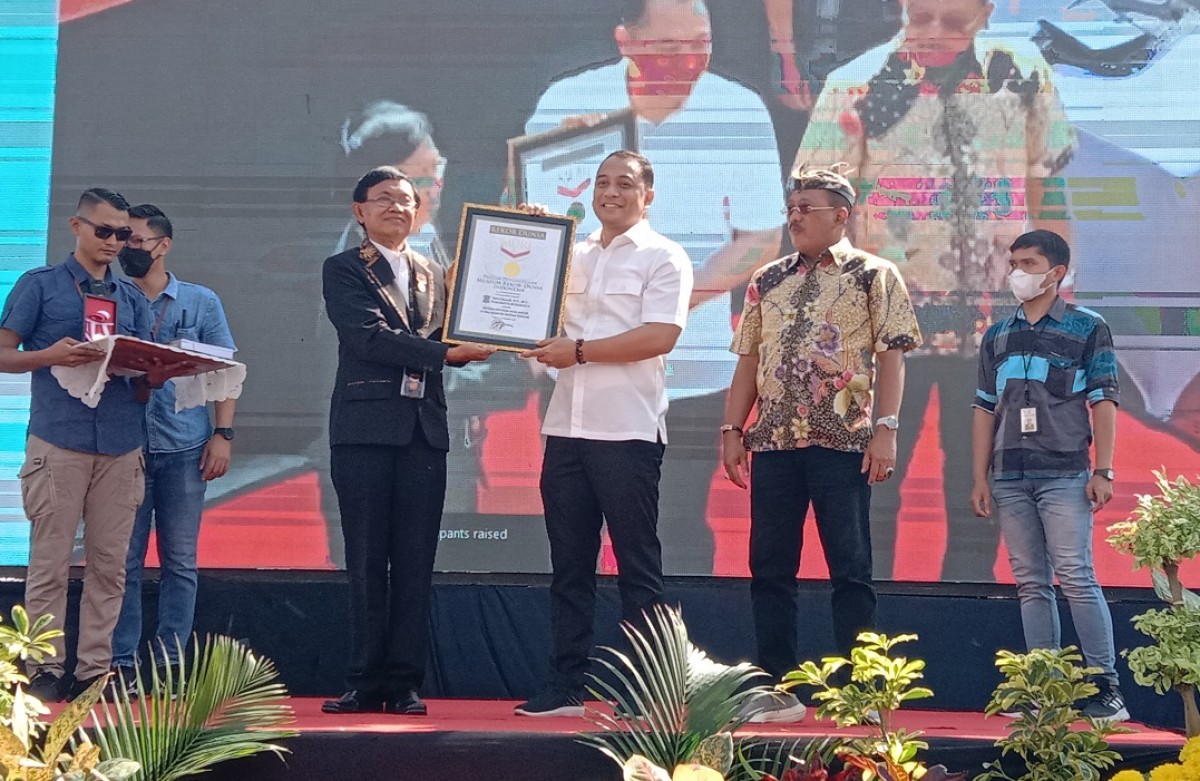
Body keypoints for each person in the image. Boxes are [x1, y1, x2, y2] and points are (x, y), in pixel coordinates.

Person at [792, 0, 1075, 582]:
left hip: (999, 322)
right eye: (921, 18)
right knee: (873, 476)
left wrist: (1053, 302)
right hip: (886, 326)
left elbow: (1048, 191)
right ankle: (871, 615)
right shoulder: (856, 84)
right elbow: (814, 212)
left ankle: (971, 601)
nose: (934, 34)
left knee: (984, 478)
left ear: (987, 12)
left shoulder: (1024, 74)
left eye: (954, 21)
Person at [524, 0, 783, 575]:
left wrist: (656, 306)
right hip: (576, 372)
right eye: (671, 46)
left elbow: (761, 238)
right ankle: (576, 660)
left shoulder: (737, 108)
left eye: (701, 43)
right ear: (625, 40)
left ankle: (672, 657)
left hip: (693, 366)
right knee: (573, 544)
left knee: (676, 527)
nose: (690, 60)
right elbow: (534, 222)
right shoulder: (570, 102)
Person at [721, 168, 921, 723]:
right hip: (776, 443)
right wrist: (732, 430)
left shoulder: (873, 274)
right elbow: (748, 360)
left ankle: (861, 694)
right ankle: (775, 686)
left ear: (841, 214)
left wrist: (887, 427)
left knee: (849, 567)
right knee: (770, 566)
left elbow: (892, 356)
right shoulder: (767, 278)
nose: (795, 216)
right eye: (791, 207)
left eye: (807, 206)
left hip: (842, 440)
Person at [514, 150, 693, 717]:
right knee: (569, 565)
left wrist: (582, 351)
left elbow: (661, 334)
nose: (610, 193)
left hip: (628, 432)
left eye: (625, 184)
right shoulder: (572, 254)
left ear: (649, 195)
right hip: (566, 428)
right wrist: (528, 236)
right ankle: (567, 684)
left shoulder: (665, 256)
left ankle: (648, 692)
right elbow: (530, 313)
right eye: (602, 183)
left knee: (637, 565)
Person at [320, 167, 493, 716]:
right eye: (385, 200)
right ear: (360, 211)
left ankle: (405, 683)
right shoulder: (344, 268)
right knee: (368, 557)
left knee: (416, 560)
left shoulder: (433, 273)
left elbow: (455, 330)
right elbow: (368, 338)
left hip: (424, 430)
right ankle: (363, 679)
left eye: (407, 200)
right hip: (365, 431)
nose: (398, 208)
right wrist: (446, 355)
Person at [0, 188, 171, 701]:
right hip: (60, 438)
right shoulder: (41, 285)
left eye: (123, 234)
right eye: (104, 231)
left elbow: (141, 381)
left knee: (110, 564)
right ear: (76, 227)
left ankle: (95, 669)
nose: (115, 242)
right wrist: (48, 355)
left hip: (122, 442)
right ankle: (42, 666)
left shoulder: (131, 298)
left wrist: (156, 374)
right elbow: (3, 353)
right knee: (49, 561)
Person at [970, 229, 1128, 722]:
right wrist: (980, 476)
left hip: (1065, 473)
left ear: (1056, 272)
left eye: (1029, 263)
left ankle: (1107, 689)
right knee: (1030, 583)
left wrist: (1103, 468)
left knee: (1077, 577)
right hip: (1010, 476)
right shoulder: (997, 334)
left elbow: (1104, 398)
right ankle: (1043, 691)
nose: (1017, 272)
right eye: (1013, 262)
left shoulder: (1087, 327)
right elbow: (983, 408)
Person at [110, 204, 238, 689]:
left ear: (163, 246)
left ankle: (167, 664)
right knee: (121, 560)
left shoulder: (201, 302)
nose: (126, 248)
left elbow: (224, 371)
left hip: (185, 445)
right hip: (122, 447)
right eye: (123, 239)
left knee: (179, 561)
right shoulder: (110, 297)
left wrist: (222, 436)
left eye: (136, 240)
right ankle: (120, 662)